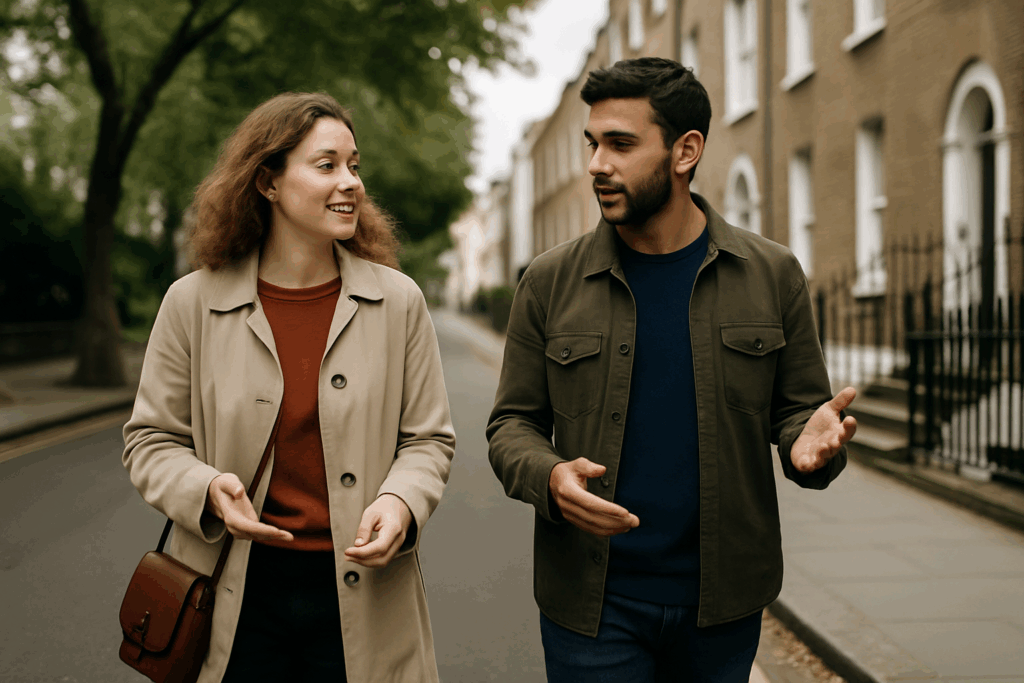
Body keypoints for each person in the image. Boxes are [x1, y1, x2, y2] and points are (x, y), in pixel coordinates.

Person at [486, 58, 858, 682]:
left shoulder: (771, 274)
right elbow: (511, 424)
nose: (596, 164)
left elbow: (800, 413)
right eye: (592, 143)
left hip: (722, 606)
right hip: (592, 604)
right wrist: (548, 476)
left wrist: (807, 448)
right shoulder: (549, 282)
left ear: (685, 151)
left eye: (620, 144)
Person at [123, 92, 455, 683]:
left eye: (354, 165)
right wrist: (206, 488)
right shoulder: (191, 302)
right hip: (231, 599)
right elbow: (151, 440)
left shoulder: (399, 301)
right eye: (326, 165)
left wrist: (400, 501)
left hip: (365, 597)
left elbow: (427, 440)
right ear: (268, 183)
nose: (350, 182)